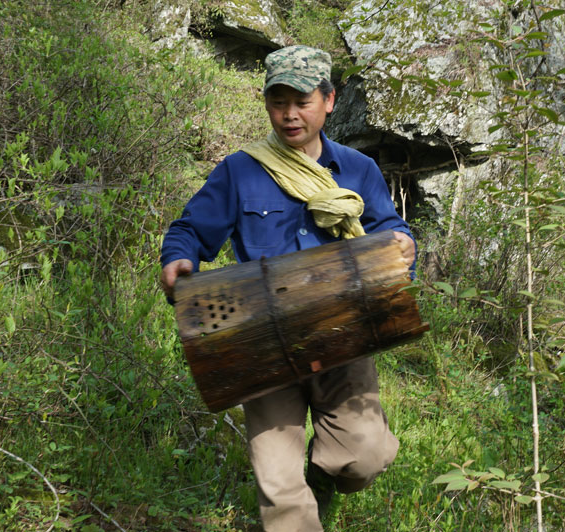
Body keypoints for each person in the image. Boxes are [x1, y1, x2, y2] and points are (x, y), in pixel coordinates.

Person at [159, 45, 415, 531]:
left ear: (329, 100)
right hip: (265, 343)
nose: (290, 114)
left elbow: (392, 231)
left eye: (301, 101)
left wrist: (403, 248)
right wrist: (179, 261)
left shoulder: (359, 171)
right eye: (278, 102)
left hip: (344, 334)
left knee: (364, 457)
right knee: (278, 484)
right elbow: (190, 230)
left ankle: (322, 472)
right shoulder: (241, 171)